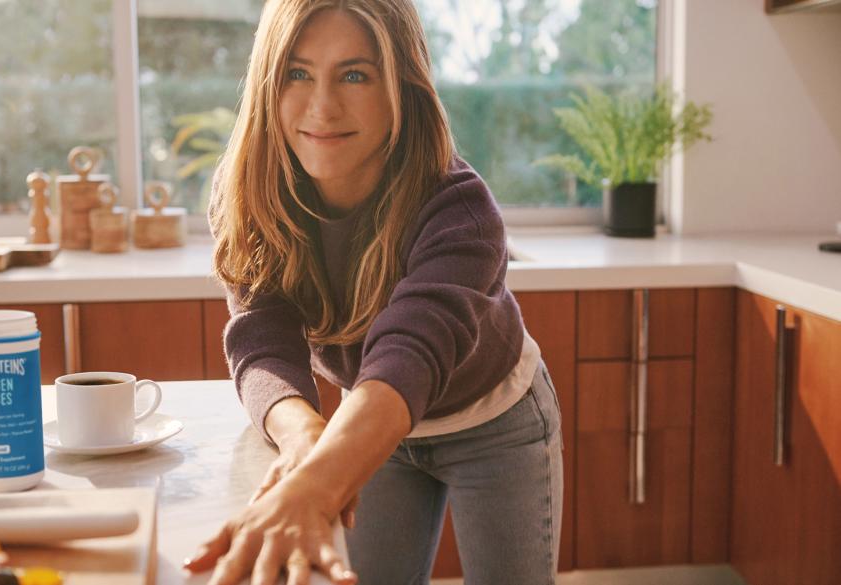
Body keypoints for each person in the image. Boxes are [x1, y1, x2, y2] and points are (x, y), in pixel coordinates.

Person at [183, 1, 563, 584]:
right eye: (297, 73)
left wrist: (315, 483)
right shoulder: (251, 192)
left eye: (354, 74)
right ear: (268, 83)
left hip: (495, 423)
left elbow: (409, 354)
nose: (322, 106)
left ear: (403, 87)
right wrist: (304, 435)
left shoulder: (459, 208)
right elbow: (261, 340)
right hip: (365, 421)